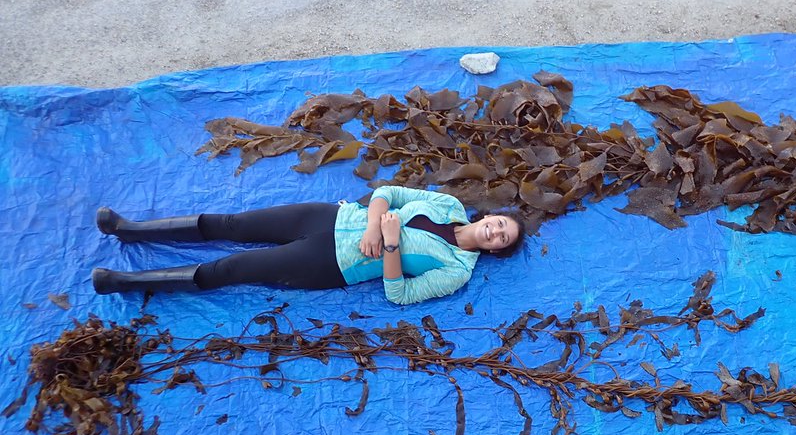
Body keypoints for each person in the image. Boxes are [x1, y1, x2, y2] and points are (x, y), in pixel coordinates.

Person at [92, 186, 524, 306]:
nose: (496, 231)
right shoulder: (447, 204)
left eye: (503, 239)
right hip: (330, 217)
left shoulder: (456, 271)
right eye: (500, 223)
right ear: (489, 216)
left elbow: (399, 295)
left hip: (330, 262)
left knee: (233, 268)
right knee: (233, 223)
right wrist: (375, 227)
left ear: (495, 251)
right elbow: (387, 192)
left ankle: (125, 281)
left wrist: (390, 246)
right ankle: (129, 229)